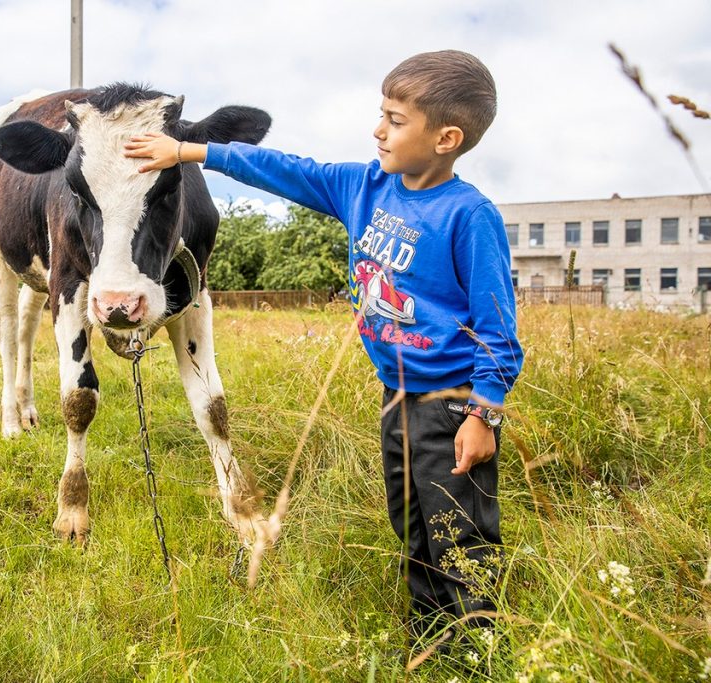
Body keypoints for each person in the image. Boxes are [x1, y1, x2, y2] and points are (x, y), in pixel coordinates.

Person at [124, 50, 524, 645]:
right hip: (398, 397)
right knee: (411, 523)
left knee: (458, 534)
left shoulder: (469, 216)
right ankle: (431, 639)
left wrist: (483, 412)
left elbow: (498, 329)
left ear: (446, 137)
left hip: (453, 402)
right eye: (380, 114)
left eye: (394, 119)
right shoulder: (363, 186)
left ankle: (476, 650)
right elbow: (281, 168)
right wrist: (188, 151)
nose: (377, 130)